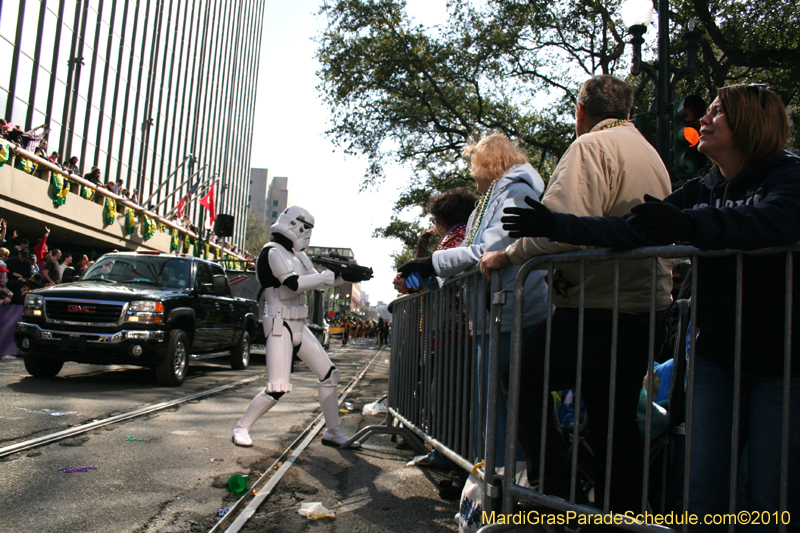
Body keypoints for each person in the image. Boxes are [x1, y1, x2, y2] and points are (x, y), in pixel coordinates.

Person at [500, 83, 799, 529]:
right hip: (715, 357)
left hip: (780, 362)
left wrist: (691, 224)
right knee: (702, 486)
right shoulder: (700, 184)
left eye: (717, 112)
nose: (703, 120)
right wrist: (555, 222)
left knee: (768, 493)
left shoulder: (788, 175)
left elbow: (776, 221)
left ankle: (558, 491)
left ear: (751, 122)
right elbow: (632, 230)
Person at [479, 75, 673, 518]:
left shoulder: (588, 147)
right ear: (625, 112)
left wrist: (507, 254)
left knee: (520, 374)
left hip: (599, 306)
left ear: (580, 112)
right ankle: (620, 515)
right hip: (646, 307)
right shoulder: (650, 152)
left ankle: (554, 486)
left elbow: (557, 230)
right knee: (614, 417)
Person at [397, 132, 550, 466]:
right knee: (489, 410)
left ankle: (505, 488)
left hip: (511, 312)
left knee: (501, 412)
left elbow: (487, 250)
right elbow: (473, 254)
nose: (472, 174)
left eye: (474, 165)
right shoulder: (494, 198)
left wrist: (430, 264)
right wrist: (431, 274)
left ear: (487, 163)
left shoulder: (516, 192)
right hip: (492, 314)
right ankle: (488, 484)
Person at [232, 206, 364, 449]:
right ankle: (241, 427)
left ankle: (333, 431)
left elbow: (318, 283)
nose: (307, 234)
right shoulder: (272, 252)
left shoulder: (299, 256)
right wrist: (328, 277)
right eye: (305, 228)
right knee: (277, 388)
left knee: (329, 375)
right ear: (295, 225)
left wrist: (346, 276)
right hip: (280, 325)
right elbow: (293, 284)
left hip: (299, 326)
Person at [393, 187, 477, 295]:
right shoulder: (470, 232)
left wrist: (416, 278)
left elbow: (444, 275)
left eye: (434, 220)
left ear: (440, 220)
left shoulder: (457, 238)